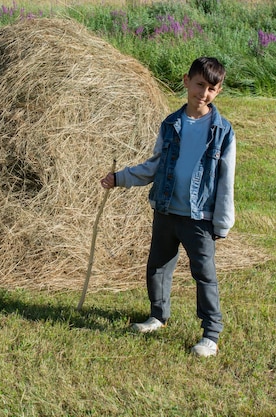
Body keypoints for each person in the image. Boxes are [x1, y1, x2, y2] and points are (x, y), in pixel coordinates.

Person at [100, 57, 236, 357]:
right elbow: (155, 165)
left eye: (212, 88)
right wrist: (120, 178)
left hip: (198, 218)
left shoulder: (222, 131)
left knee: (204, 273)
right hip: (166, 210)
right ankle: (158, 316)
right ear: (187, 81)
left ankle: (210, 333)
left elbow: (227, 180)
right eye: (199, 84)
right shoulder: (171, 124)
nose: (204, 93)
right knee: (158, 266)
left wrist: (222, 222)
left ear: (218, 91)